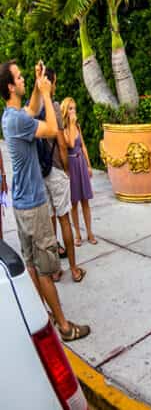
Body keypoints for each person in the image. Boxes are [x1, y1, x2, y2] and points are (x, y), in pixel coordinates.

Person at [1, 61, 90, 341]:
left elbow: (30, 109)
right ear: (10, 86)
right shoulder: (17, 121)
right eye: (20, 77)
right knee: (46, 268)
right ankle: (64, 327)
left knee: (31, 264)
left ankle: (43, 317)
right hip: (35, 205)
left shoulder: (11, 116)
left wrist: (39, 86)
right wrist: (48, 94)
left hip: (22, 203)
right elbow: (53, 128)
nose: (24, 78)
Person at [37, 68, 83, 281]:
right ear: (52, 84)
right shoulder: (53, 107)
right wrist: (66, 169)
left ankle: (55, 271)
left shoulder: (34, 109)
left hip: (39, 171)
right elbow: (62, 144)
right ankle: (74, 269)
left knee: (50, 220)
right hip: (55, 168)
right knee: (65, 219)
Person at [59, 98, 96, 246]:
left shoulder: (78, 126)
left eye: (74, 108)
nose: (73, 111)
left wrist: (89, 165)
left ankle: (89, 232)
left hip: (81, 163)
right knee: (74, 203)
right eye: (70, 109)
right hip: (72, 165)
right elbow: (71, 144)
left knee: (85, 201)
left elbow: (83, 146)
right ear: (65, 111)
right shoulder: (64, 129)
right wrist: (72, 124)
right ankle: (77, 235)